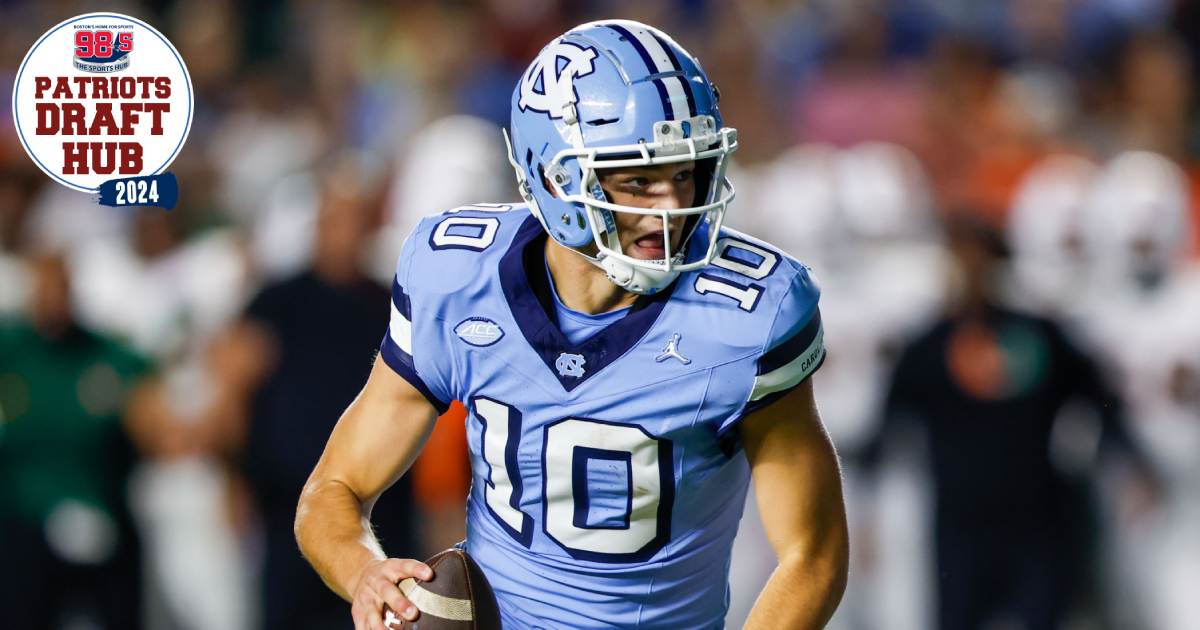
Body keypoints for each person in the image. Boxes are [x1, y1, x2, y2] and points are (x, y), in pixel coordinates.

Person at [295, 20, 848, 629]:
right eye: (637, 181)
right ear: (557, 178)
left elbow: (812, 553)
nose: (672, 207)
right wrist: (363, 572)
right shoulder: (459, 278)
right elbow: (334, 489)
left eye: (685, 173)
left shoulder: (745, 317)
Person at [858, 217, 1161, 630]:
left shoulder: (1041, 337)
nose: (969, 275)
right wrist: (864, 513)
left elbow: (1099, 398)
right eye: (960, 263)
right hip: (959, 528)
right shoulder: (927, 346)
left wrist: (1132, 466)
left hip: (1040, 521)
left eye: (980, 263)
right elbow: (887, 428)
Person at [241, 183, 420, 630]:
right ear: (318, 225)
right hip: (285, 502)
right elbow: (234, 391)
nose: (345, 233)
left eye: (355, 222)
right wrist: (233, 476)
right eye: (336, 221)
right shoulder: (277, 301)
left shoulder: (389, 302)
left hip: (381, 504)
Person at [0, 253, 149, 630]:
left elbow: (151, 400)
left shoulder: (102, 356)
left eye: (60, 288)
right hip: (22, 523)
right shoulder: (11, 349)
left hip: (97, 514)